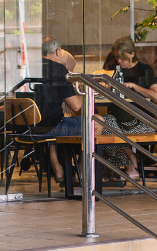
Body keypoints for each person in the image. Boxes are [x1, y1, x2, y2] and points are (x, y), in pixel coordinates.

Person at [35, 37, 100, 181]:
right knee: (98, 122)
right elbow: (76, 106)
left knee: (54, 117)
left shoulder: (28, 67)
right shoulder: (58, 69)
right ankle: (81, 173)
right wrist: (87, 92)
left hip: (26, 129)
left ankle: (58, 168)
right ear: (57, 51)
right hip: (50, 129)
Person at [101, 37, 157, 177]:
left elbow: (155, 96)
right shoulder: (113, 70)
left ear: (132, 54)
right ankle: (131, 159)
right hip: (117, 119)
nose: (119, 61)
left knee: (109, 130)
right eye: (117, 57)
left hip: (141, 120)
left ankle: (123, 166)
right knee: (100, 125)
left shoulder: (144, 69)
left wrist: (134, 87)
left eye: (123, 58)